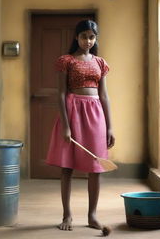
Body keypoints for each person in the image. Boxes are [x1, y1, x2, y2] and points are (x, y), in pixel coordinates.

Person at [46, 20, 115, 231]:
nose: (88, 41)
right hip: (72, 111)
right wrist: (66, 125)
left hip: (96, 115)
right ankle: (67, 215)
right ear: (76, 37)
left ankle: (92, 216)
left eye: (92, 37)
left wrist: (110, 126)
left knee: (96, 166)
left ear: (96, 39)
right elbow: (60, 93)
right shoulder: (66, 61)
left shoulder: (100, 63)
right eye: (84, 36)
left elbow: (104, 95)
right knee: (67, 167)